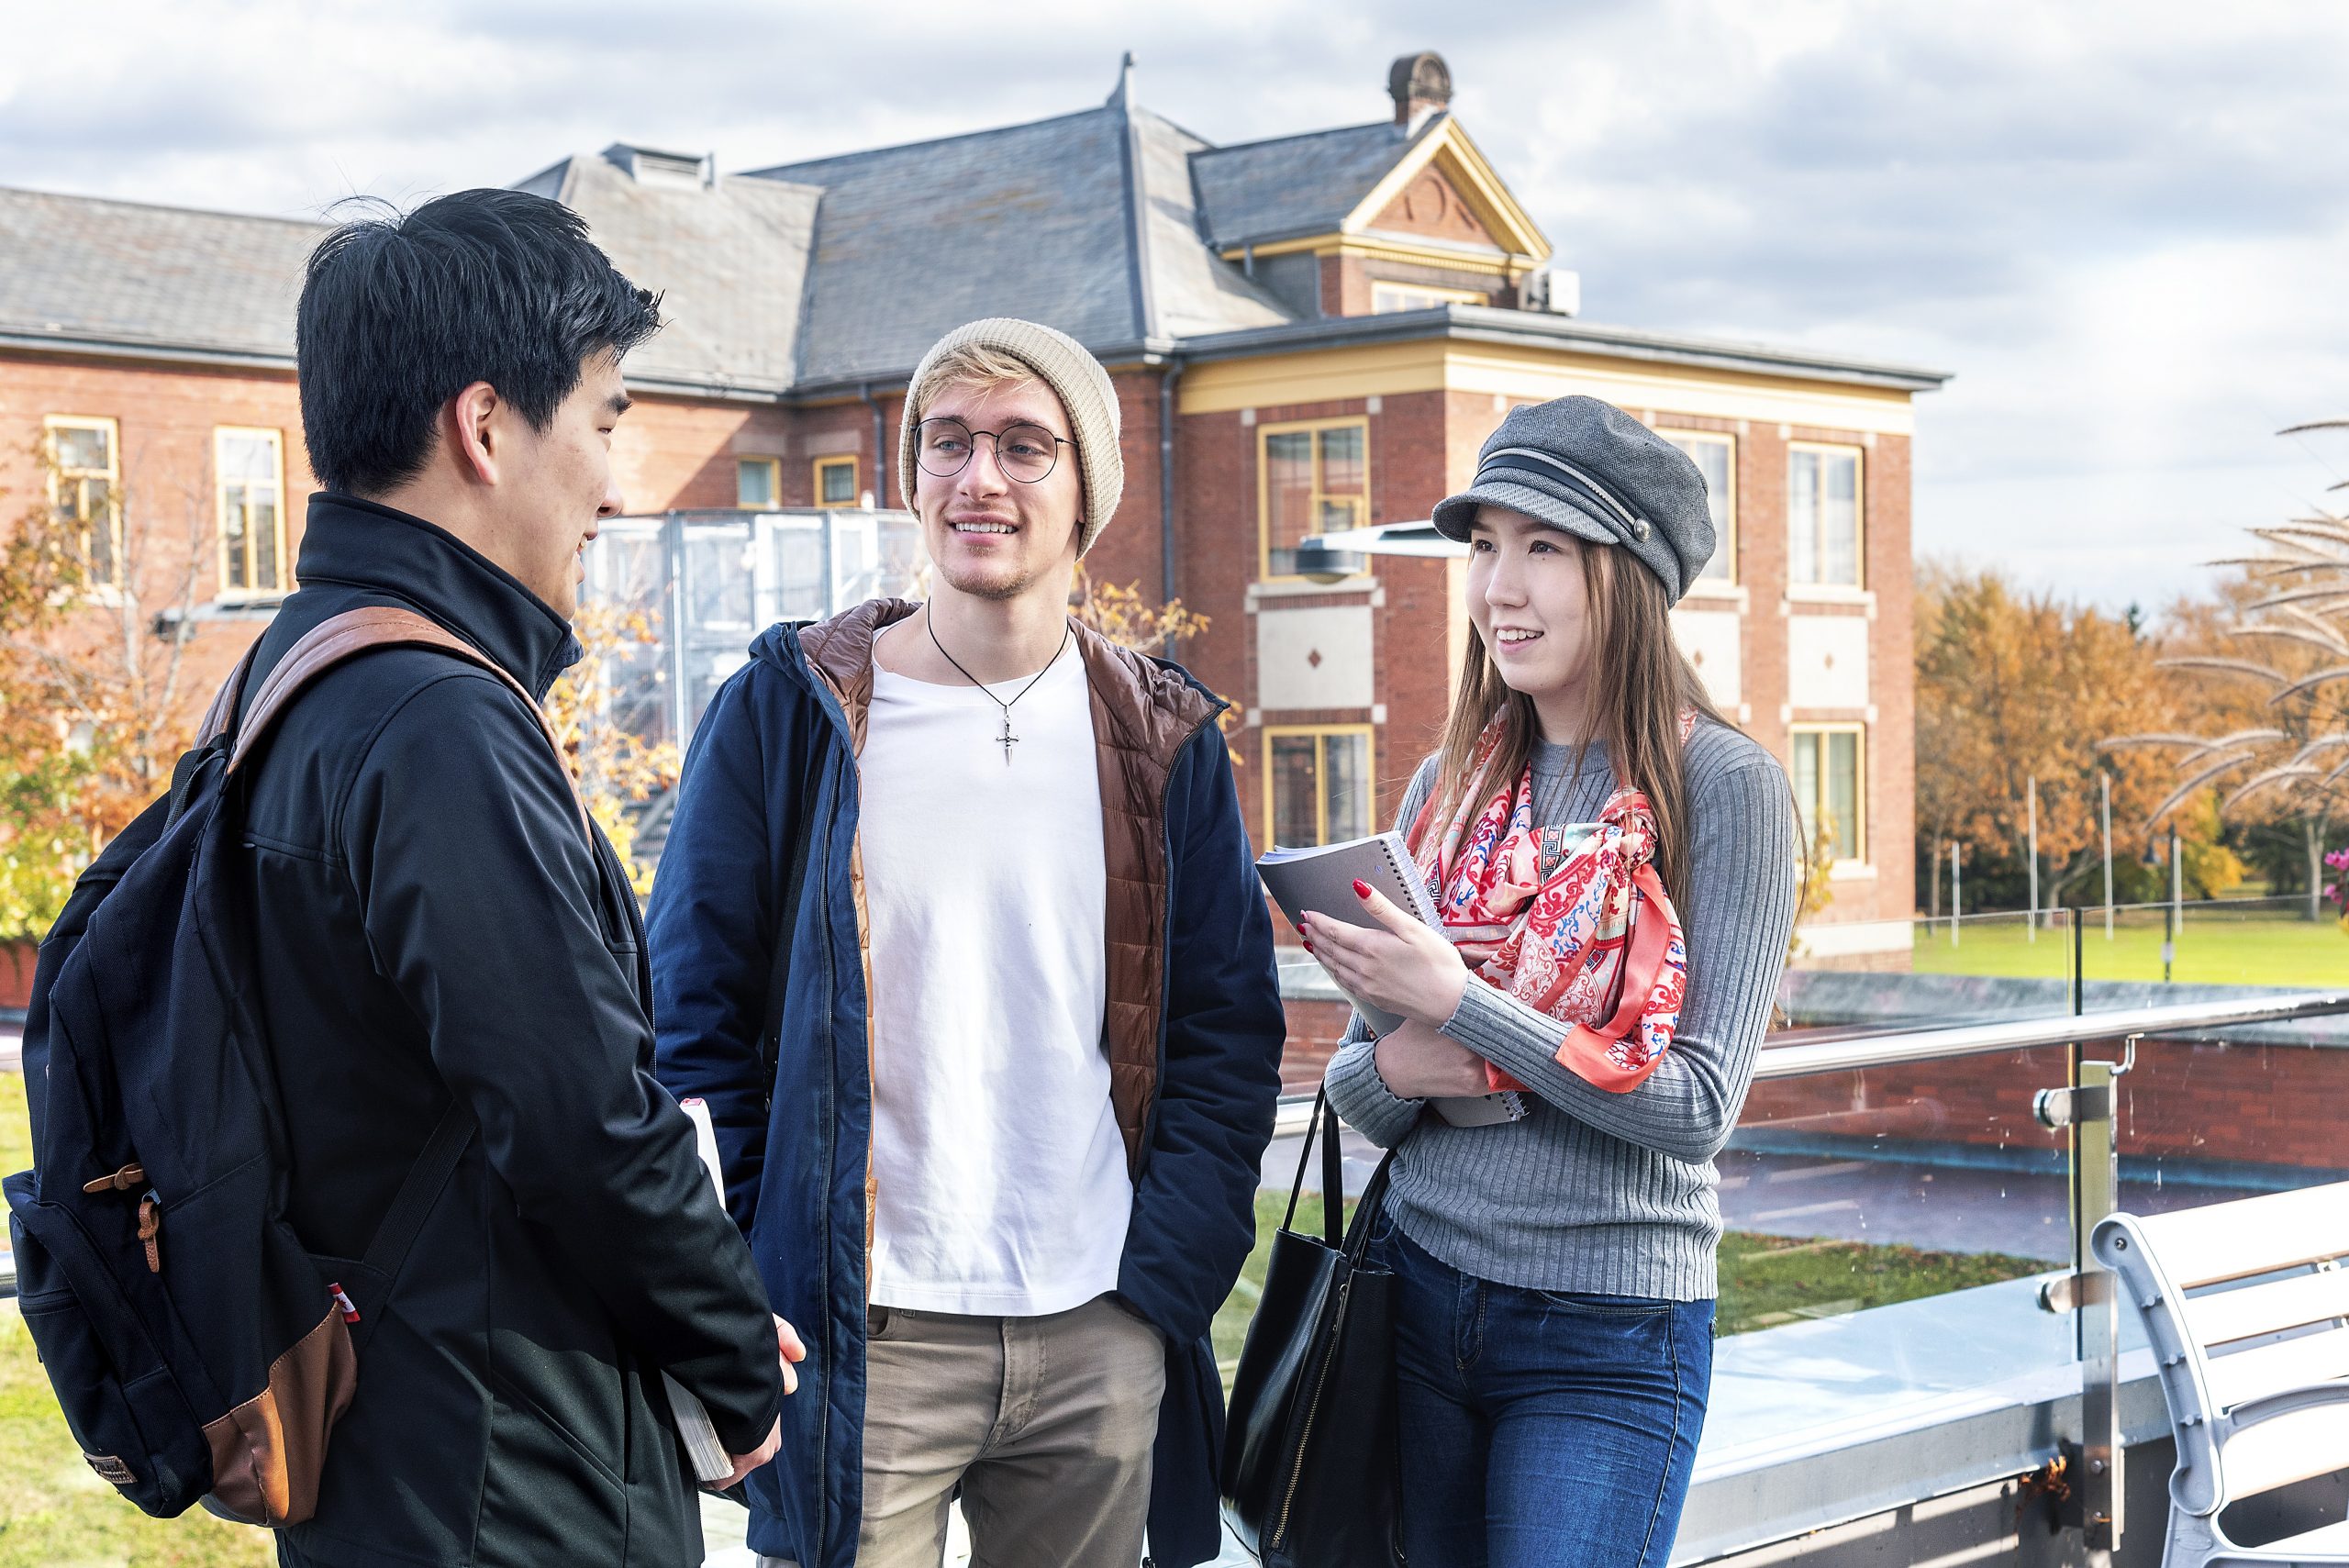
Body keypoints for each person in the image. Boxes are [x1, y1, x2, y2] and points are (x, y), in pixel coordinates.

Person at [650, 317, 1286, 1568]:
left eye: (1022, 447)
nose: (977, 479)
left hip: (1097, 1326)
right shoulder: (793, 711)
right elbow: (693, 1019)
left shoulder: (1164, 743)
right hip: (859, 1333)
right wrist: (753, 1265)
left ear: (1086, 489)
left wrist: (1159, 1286)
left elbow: (1225, 1038)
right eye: (948, 443)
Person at [238, 189, 793, 1567]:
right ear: (486, 429)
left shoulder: (299, 674)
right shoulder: (437, 724)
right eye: (605, 419)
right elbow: (579, 1119)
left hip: (397, 1432)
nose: (619, 480)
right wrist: (733, 1358)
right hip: (500, 1467)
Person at [1307, 396, 1799, 1568]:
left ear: (1626, 575)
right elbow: (1353, 1086)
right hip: (1420, 1297)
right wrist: (1400, 1057)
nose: (1498, 588)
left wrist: (1461, 1007)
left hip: (1609, 1337)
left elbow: (1693, 1108)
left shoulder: (1722, 789)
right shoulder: (1450, 785)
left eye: (1544, 548)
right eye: (1483, 544)